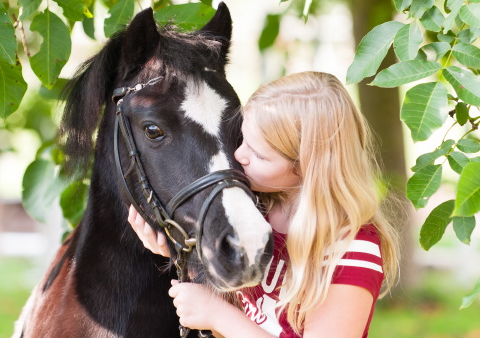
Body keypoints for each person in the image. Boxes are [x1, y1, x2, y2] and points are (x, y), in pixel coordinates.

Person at [128, 71, 399, 337]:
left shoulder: (349, 248)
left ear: (306, 168)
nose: (238, 154)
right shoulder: (258, 209)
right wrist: (175, 253)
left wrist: (217, 315)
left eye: (258, 154)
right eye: (242, 138)